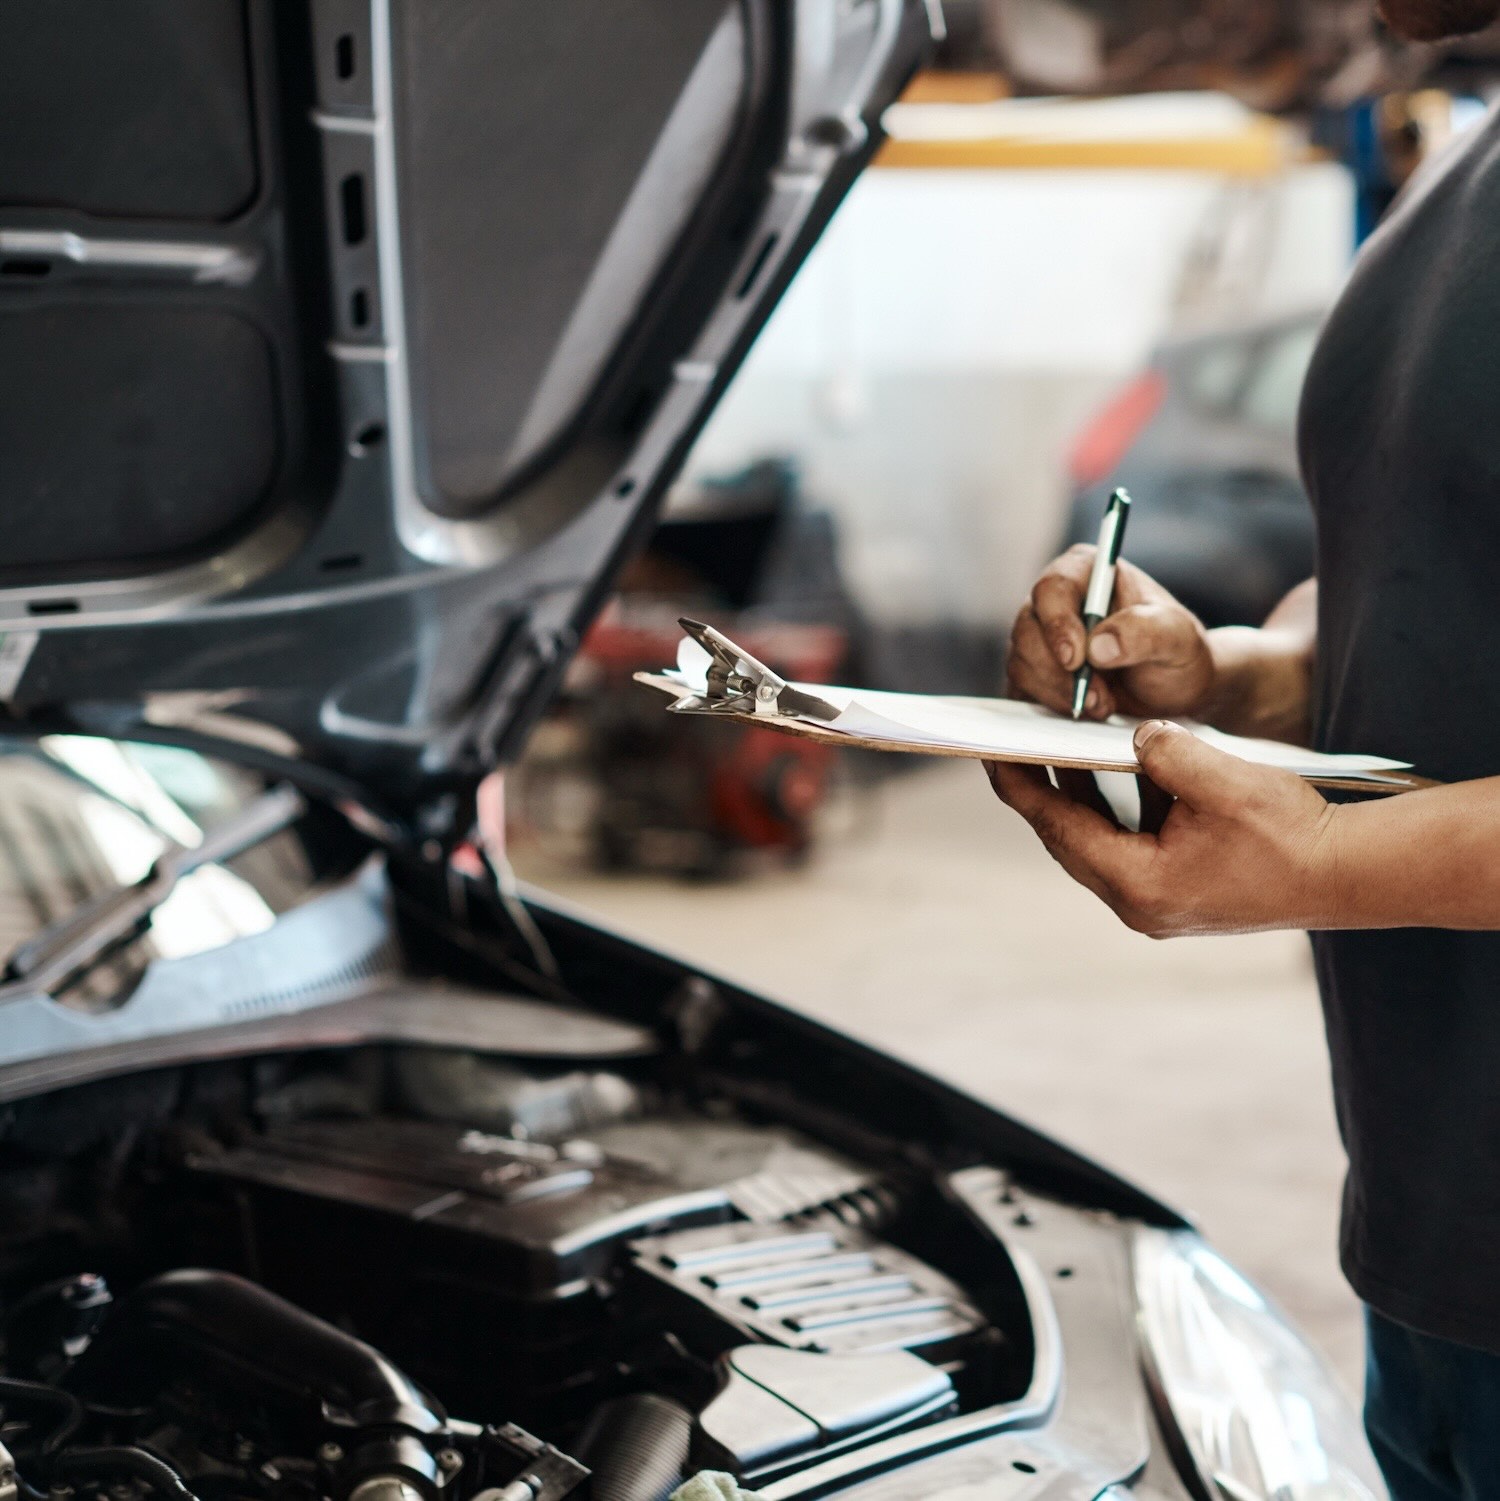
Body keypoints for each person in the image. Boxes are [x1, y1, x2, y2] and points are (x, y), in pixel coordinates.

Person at [991, 1, 1500, 1494]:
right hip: (1433, 1269)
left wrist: (1322, 859)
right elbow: (1426, 595)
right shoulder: (1458, 185)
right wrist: (1229, 674)